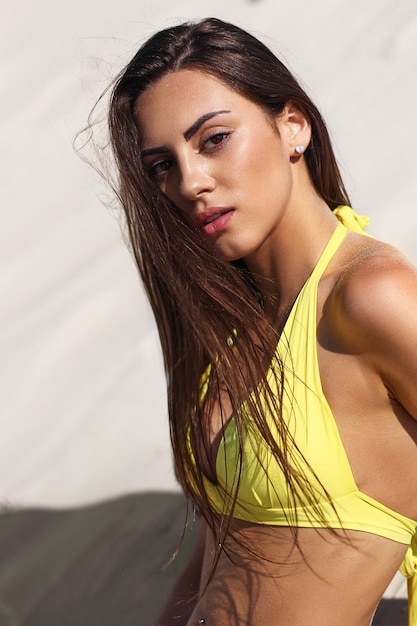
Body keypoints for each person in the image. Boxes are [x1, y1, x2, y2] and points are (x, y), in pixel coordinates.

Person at [99, 17, 417, 626]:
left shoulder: (370, 299)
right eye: (162, 164)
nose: (191, 182)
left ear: (293, 125)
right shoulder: (228, 320)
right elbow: (222, 552)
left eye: (214, 139)